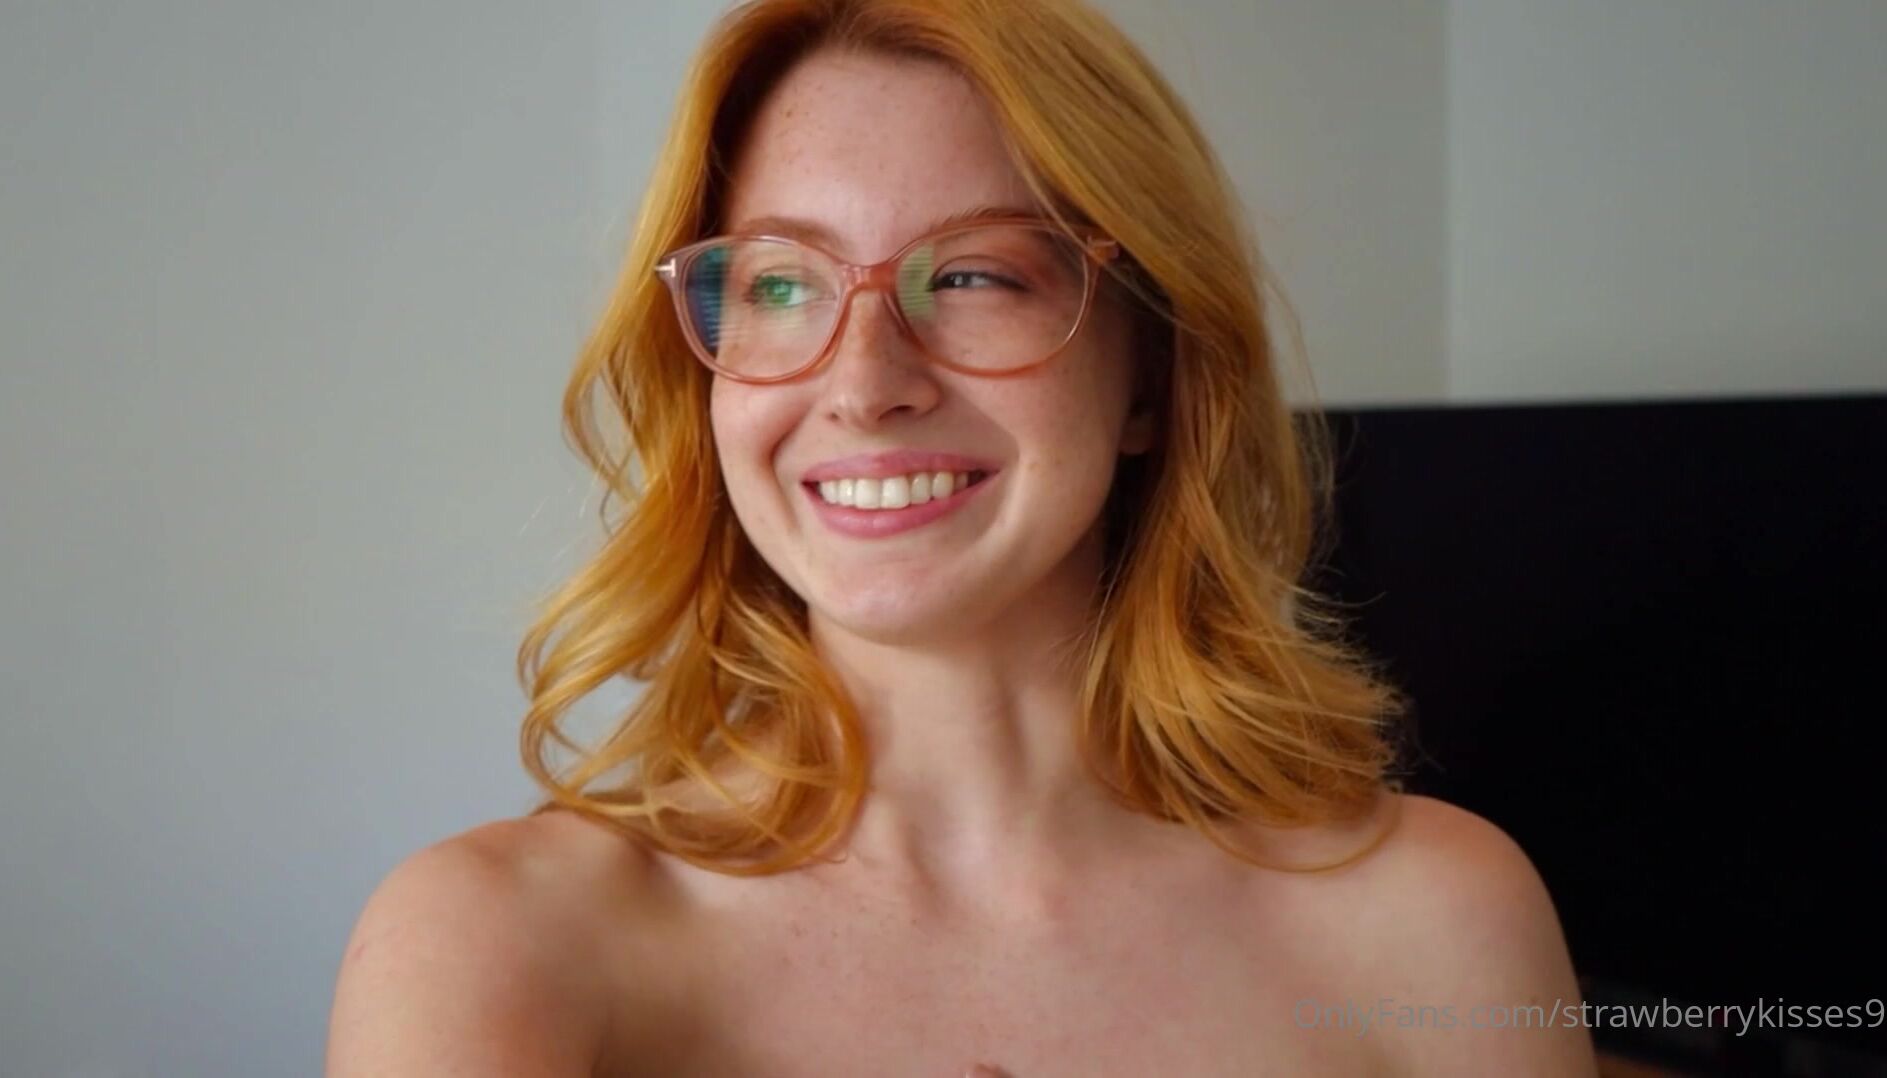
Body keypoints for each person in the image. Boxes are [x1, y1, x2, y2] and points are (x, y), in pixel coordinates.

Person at [327, 1, 1598, 1074]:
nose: (863, 384)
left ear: (1150, 374)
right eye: (780, 284)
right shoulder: (496, 943)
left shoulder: (1438, 920)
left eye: (977, 274)